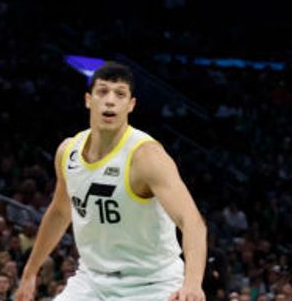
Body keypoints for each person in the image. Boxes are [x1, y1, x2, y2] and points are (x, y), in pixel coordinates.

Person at [17, 62, 206, 301]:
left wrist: (192, 283)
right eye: (103, 91)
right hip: (92, 280)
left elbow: (192, 221)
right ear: (88, 99)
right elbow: (59, 212)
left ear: (131, 105)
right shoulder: (67, 151)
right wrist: (29, 272)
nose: (110, 100)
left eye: (120, 94)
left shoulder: (146, 156)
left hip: (152, 283)